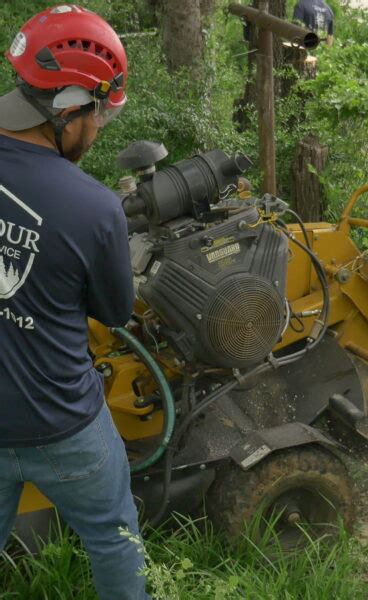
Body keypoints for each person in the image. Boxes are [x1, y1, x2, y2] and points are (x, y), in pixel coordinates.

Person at [0, 5, 150, 600]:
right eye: (100, 115)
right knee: (114, 538)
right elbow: (114, 314)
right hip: (60, 424)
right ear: (68, 108)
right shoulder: (92, 205)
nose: (97, 131)